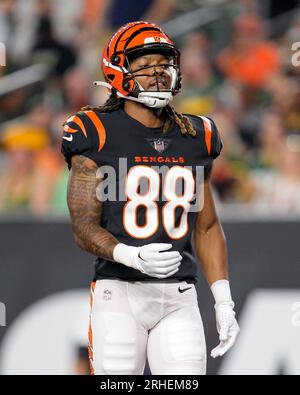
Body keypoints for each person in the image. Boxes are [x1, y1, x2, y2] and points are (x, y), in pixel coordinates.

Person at [61, 21, 240, 375]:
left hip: (179, 295)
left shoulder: (197, 134)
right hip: (120, 292)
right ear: (118, 71)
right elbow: (82, 225)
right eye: (144, 65)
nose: (157, 73)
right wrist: (130, 255)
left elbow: (206, 227)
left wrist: (223, 300)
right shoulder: (94, 130)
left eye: (163, 63)